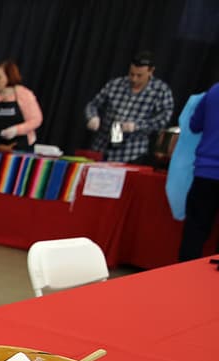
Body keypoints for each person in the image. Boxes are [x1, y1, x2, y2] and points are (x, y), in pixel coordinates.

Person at [83, 51, 175, 163]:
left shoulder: (161, 90)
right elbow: (93, 105)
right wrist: (92, 117)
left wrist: (137, 126)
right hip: (101, 148)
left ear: (151, 71)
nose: (134, 79)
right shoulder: (116, 84)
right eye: (131, 74)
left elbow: (164, 119)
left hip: (131, 153)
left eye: (139, 75)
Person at [178, 81, 219, 261]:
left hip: (205, 173)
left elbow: (194, 125)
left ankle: (184, 274)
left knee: (194, 232)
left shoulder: (214, 90)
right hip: (206, 170)